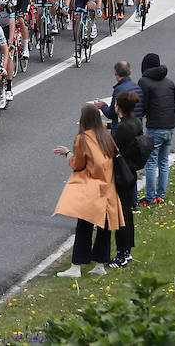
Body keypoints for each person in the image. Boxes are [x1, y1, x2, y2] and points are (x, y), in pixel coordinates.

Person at [52, 102, 125, 278]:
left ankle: (76, 266)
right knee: (104, 227)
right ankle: (100, 264)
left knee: (84, 226)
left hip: (91, 186)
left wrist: (68, 153)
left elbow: (78, 164)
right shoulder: (106, 136)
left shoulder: (83, 139)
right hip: (108, 186)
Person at [137, 52, 175, 204]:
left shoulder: (144, 82)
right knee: (164, 162)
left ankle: (150, 197)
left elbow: (142, 105)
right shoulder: (170, 83)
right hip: (170, 126)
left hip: (155, 127)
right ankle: (161, 196)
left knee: (151, 162)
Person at [109, 91, 142, 268]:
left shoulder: (124, 128)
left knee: (121, 215)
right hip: (131, 172)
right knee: (127, 213)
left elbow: (113, 149)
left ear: (119, 107)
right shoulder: (136, 123)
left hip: (121, 173)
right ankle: (127, 251)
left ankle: (121, 253)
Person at [93, 60, 138, 127]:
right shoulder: (137, 88)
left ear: (115, 73)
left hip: (122, 128)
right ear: (130, 72)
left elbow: (112, 114)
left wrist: (102, 106)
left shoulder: (119, 90)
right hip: (136, 126)